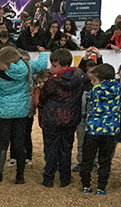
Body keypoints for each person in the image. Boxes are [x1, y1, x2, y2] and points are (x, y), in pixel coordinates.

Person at [0, 47, 49, 184]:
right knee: (19, 143)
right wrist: (42, 53)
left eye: (0, 64)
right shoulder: (28, 67)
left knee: (3, 144)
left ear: (8, 63)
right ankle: (20, 177)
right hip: (21, 112)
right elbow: (43, 64)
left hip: (4, 113)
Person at [79, 63, 121, 195]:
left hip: (92, 131)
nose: (92, 82)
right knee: (105, 161)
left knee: (87, 159)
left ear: (102, 80)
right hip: (109, 132)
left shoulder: (96, 91)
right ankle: (101, 188)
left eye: (93, 80)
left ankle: (86, 186)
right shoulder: (119, 89)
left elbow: (88, 98)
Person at [39, 49, 85, 188]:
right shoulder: (78, 75)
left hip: (53, 118)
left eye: (54, 65)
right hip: (71, 119)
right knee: (66, 148)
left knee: (51, 149)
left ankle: (49, 178)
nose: (51, 68)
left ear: (64, 66)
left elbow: (42, 99)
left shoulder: (53, 82)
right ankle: (65, 178)